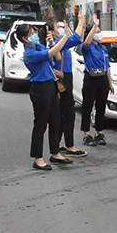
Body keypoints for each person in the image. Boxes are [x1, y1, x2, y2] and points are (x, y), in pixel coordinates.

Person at [14, 21, 71, 171]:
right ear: (25, 38)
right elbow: (51, 54)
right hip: (40, 89)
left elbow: (57, 57)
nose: (34, 35)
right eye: (31, 34)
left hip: (50, 85)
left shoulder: (37, 46)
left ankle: (55, 152)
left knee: (56, 120)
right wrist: (65, 36)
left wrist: (52, 43)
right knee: (40, 124)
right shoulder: (29, 54)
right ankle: (38, 158)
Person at [51, 13, 87, 158]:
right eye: (57, 27)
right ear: (51, 32)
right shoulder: (57, 43)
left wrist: (81, 25)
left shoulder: (59, 43)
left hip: (65, 76)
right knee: (68, 112)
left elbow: (78, 39)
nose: (60, 29)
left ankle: (58, 143)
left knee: (61, 112)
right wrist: (81, 21)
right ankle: (69, 146)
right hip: (62, 78)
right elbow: (76, 38)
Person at [80, 14, 114, 147]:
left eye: (99, 31)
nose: (99, 34)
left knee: (101, 106)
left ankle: (99, 132)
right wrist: (94, 26)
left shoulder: (103, 48)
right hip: (91, 78)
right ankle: (86, 134)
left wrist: (110, 83)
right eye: (96, 32)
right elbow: (87, 42)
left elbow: (107, 66)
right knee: (87, 106)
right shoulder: (86, 47)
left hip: (102, 78)